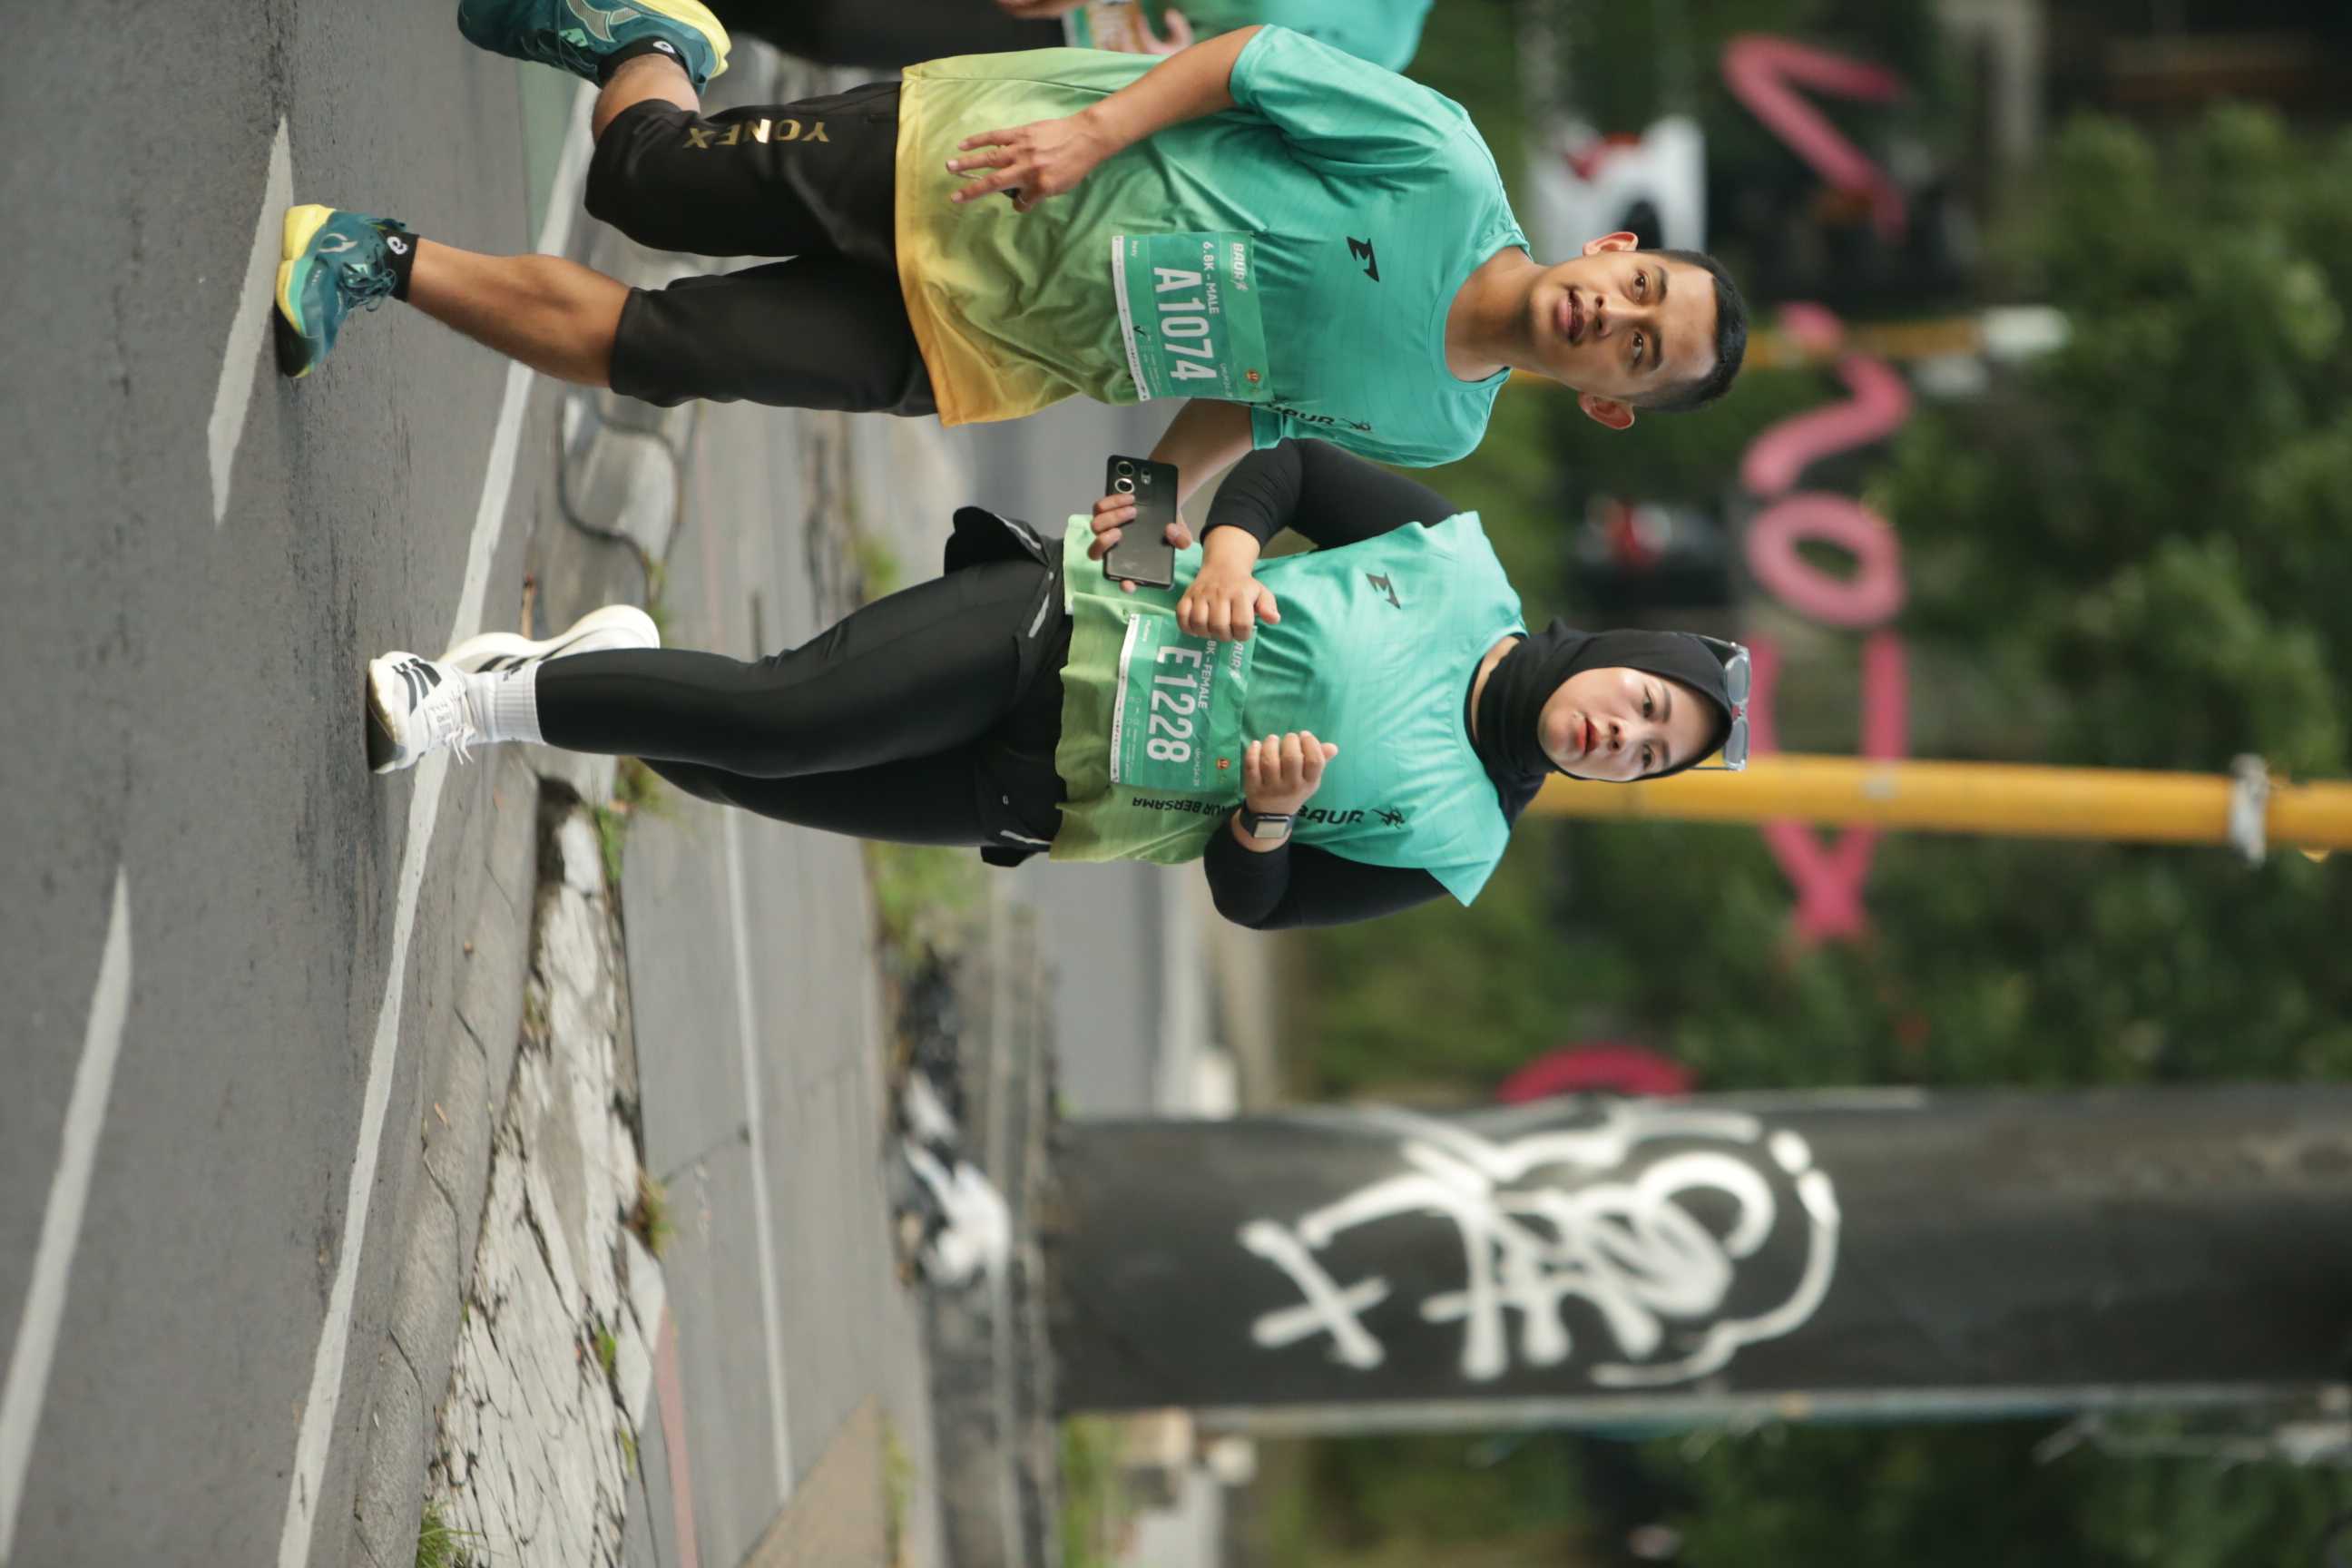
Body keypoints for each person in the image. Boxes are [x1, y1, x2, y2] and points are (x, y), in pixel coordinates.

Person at [276, 3, 1749, 508]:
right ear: (1617, 245)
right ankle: (651, 40)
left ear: (1610, 401)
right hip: (986, 168)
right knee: (643, 182)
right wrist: (1093, 134)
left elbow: (1257, 403)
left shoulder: (1441, 425)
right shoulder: (1445, 165)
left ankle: (368, 257)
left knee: (663, 356)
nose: (1611, 313)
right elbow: (1244, 59)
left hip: (985, 352)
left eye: (1639, 348)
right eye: (1639, 288)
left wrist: (1153, 513)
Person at [360, 440, 1748, 929]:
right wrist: (1227, 547)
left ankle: (598, 672)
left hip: (1037, 795)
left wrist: (1264, 822)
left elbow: (1258, 903)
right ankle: (462, 703)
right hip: (1058, 626)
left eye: (1648, 754)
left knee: (736, 769)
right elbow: (1295, 468)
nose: (1619, 734)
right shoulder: (1457, 564)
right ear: (1625, 656)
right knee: (781, 720)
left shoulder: (1463, 843)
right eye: (1645, 704)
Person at [715, 0, 1431, 73]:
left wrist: (1185, 70)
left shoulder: (1383, 46)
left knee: (835, 24)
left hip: (1070, 46)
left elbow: (1252, 107)